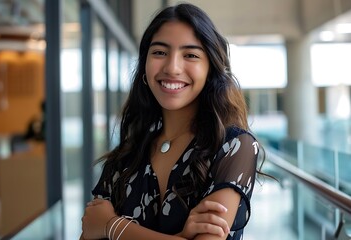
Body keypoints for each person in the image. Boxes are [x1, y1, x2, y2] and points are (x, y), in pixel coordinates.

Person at [81, 3, 262, 240]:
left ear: (211, 70)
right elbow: (88, 232)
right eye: (159, 52)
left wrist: (112, 227)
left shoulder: (234, 146)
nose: (172, 67)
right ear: (144, 65)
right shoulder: (125, 157)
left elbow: (100, 227)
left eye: (190, 55)